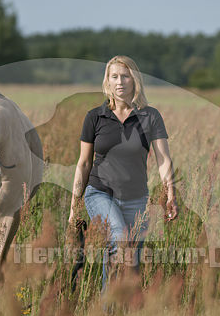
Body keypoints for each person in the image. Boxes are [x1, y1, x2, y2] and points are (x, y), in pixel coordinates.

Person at [68, 55, 178, 291]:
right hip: (100, 193)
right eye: (114, 76)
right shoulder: (94, 117)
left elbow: (163, 159)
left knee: (130, 260)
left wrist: (171, 194)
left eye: (125, 76)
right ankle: (108, 312)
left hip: (136, 197)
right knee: (118, 238)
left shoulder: (150, 116)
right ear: (107, 81)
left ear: (134, 80)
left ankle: (127, 314)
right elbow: (84, 164)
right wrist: (74, 204)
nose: (120, 82)